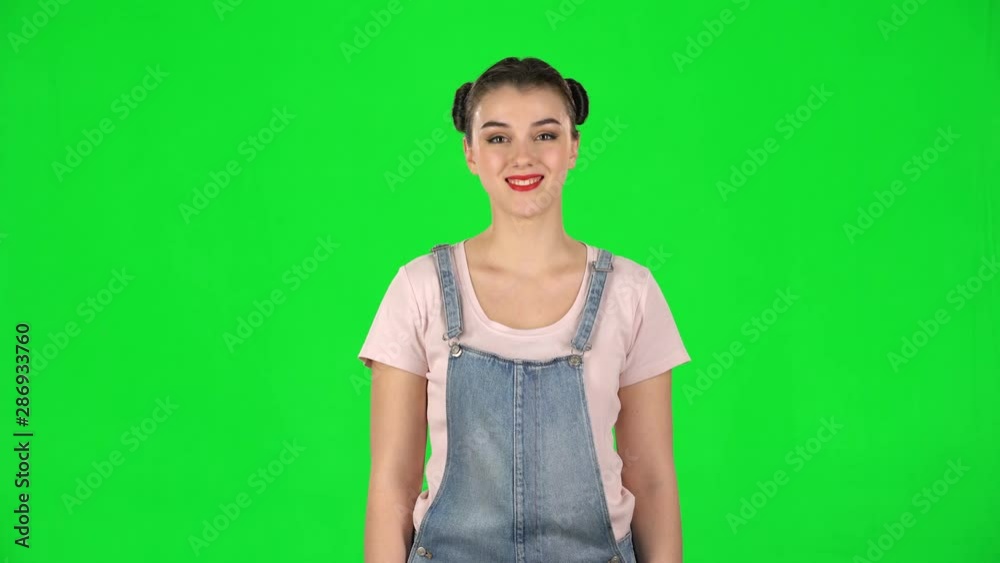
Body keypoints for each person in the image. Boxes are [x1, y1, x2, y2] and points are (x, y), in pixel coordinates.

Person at [359, 56, 690, 563]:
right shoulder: (419, 288)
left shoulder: (631, 291)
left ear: (574, 147)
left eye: (545, 135)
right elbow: (391, 484)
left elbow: (652, 479)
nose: (522, 157)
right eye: (497, 138)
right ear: (469, 153)